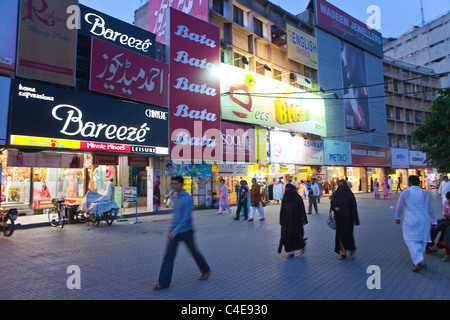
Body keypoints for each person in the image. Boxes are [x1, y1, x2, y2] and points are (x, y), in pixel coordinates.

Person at [153, 176, 211, 290]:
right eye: (173, 184)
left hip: (186, 231)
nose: (174, 186)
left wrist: (175, 231)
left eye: (176, 184)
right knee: (169, 255)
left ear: (181, 184)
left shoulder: (187, 198)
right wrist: (173, 229)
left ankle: (205, 269)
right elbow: (177, 215)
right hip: (175, 231)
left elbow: (186, 217)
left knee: (194, 252)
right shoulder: (176, 197)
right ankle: (163, 283)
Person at [395, 175, 437, 272]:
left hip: (411, 221)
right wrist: (434, 221)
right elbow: (430, 208)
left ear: (410, 182)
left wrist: (397, 217)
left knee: (410, 240)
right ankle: (420, 259)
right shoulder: (424, 193)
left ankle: (418, 259)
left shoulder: (406, 192)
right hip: (424, 220)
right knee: (422, 241)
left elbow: (399, 206)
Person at [330, 179, 360, 260]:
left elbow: (354, 207)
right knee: (340, 236)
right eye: (339, 185)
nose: (341, 187)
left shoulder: (349, 195)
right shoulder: (336, 194)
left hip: (348, 219)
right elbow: (332, 204)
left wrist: (356, 219)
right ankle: (343, 253)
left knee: (348, 235)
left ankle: (351, 251)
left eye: (342, 184)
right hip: (339, 218)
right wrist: (334, 208)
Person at [278, 183, 308, 258]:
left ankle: (302, 245)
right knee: (287, 237)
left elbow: (302, 208)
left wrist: (304, 218)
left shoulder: (297, 198)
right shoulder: (285, 198)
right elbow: (282, 210)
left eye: (289, 189)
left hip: (296, 221)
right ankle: (290, 252)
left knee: (297, 235)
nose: (287, 191)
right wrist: (281, 220)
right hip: (286, 222)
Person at [427, 191, 450, 260]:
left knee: (447, 230)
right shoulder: (446, 202)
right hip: (447, 219)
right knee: (435, 226)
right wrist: (445, 214)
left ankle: (442, 247)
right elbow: (444, 212)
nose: (449, 201)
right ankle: (430, 244)